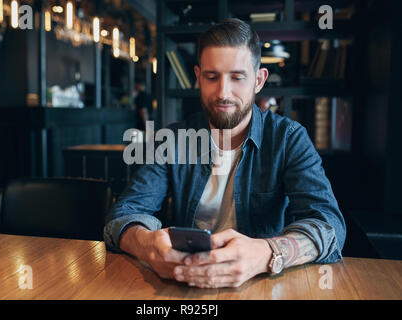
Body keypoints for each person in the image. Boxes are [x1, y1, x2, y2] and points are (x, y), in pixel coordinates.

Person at [104, 18, 346, 289]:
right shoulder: (172, 140)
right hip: (186, 287)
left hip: (262, 287)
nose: (223, 92)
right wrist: (146, 244)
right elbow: (123, 215)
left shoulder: (288, 138)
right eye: (212, 77)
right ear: (198, 78)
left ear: (258, 80)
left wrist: (268, 253)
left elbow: (329, 226)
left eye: (237, 77)